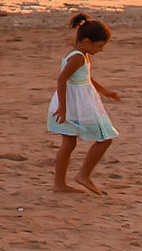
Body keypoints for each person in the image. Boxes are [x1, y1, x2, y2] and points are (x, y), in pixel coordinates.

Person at [47, 11, 121, 195]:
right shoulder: (78, 57)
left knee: (69, 143)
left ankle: (60, 184)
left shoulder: (81, 54)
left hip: (76, 102)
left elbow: (85, 78)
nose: (100, 51)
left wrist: (105, 91)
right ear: (87, 41)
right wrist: (62, 107)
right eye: (99, 46)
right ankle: (83, 175)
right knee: (104, 138)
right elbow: (62, 79)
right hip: (75, 104)